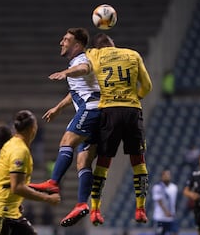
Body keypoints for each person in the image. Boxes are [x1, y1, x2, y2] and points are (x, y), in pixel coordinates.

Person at [48, 32, 153, 225]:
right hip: (131, 111)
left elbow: (85, 73)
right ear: (114, 45)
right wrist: (136, 97)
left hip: (108, 112)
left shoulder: (95, 56)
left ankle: (94, 209)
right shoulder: (133, 54)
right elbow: (147, 85)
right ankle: (140, 209)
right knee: (138, 161)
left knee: (103, 162)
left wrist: (66, 73)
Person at [29, 27, 101, 227]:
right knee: (83, 161)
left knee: (66, 141)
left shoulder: (80, 60)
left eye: (66, 40)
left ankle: (53, 184)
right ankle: (81, 204)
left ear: (77, 45)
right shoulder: (76, 62)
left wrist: (65, 72)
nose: (62, 42)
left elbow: (84, 69)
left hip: (91, 109)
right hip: (98, 112)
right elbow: (78, 88)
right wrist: (58, 107)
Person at [0, 110, 60, 235]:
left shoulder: (11, 144)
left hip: (11, 212)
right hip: (0, 214)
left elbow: (8, 179)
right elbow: (17, 187)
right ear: (32, 128)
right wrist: (47, 198)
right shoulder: (20, 151)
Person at [152, 169, 179, 235]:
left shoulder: (174, 187)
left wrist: (174, 212)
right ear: (162, 176)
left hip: (171, 218)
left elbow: (174, 202)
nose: (167, 176)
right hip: (160, 218)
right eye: (165, 174)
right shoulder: (157, 187)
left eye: (168, 174)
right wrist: (166, 212)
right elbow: (159, 201)